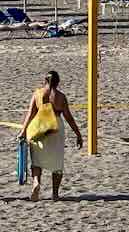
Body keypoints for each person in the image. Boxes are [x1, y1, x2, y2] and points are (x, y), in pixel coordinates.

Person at [18, 71, 83, 201]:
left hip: (39, 127)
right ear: (58, 82)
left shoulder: (37, 94)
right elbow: (68, 117)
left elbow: (30, 114)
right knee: (57, 162)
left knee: (37, 160)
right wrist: (78, 133)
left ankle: (36, 182)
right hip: (55, 128)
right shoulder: (61, 97)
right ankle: (55, 194)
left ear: (45, 81)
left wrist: (23, 131)